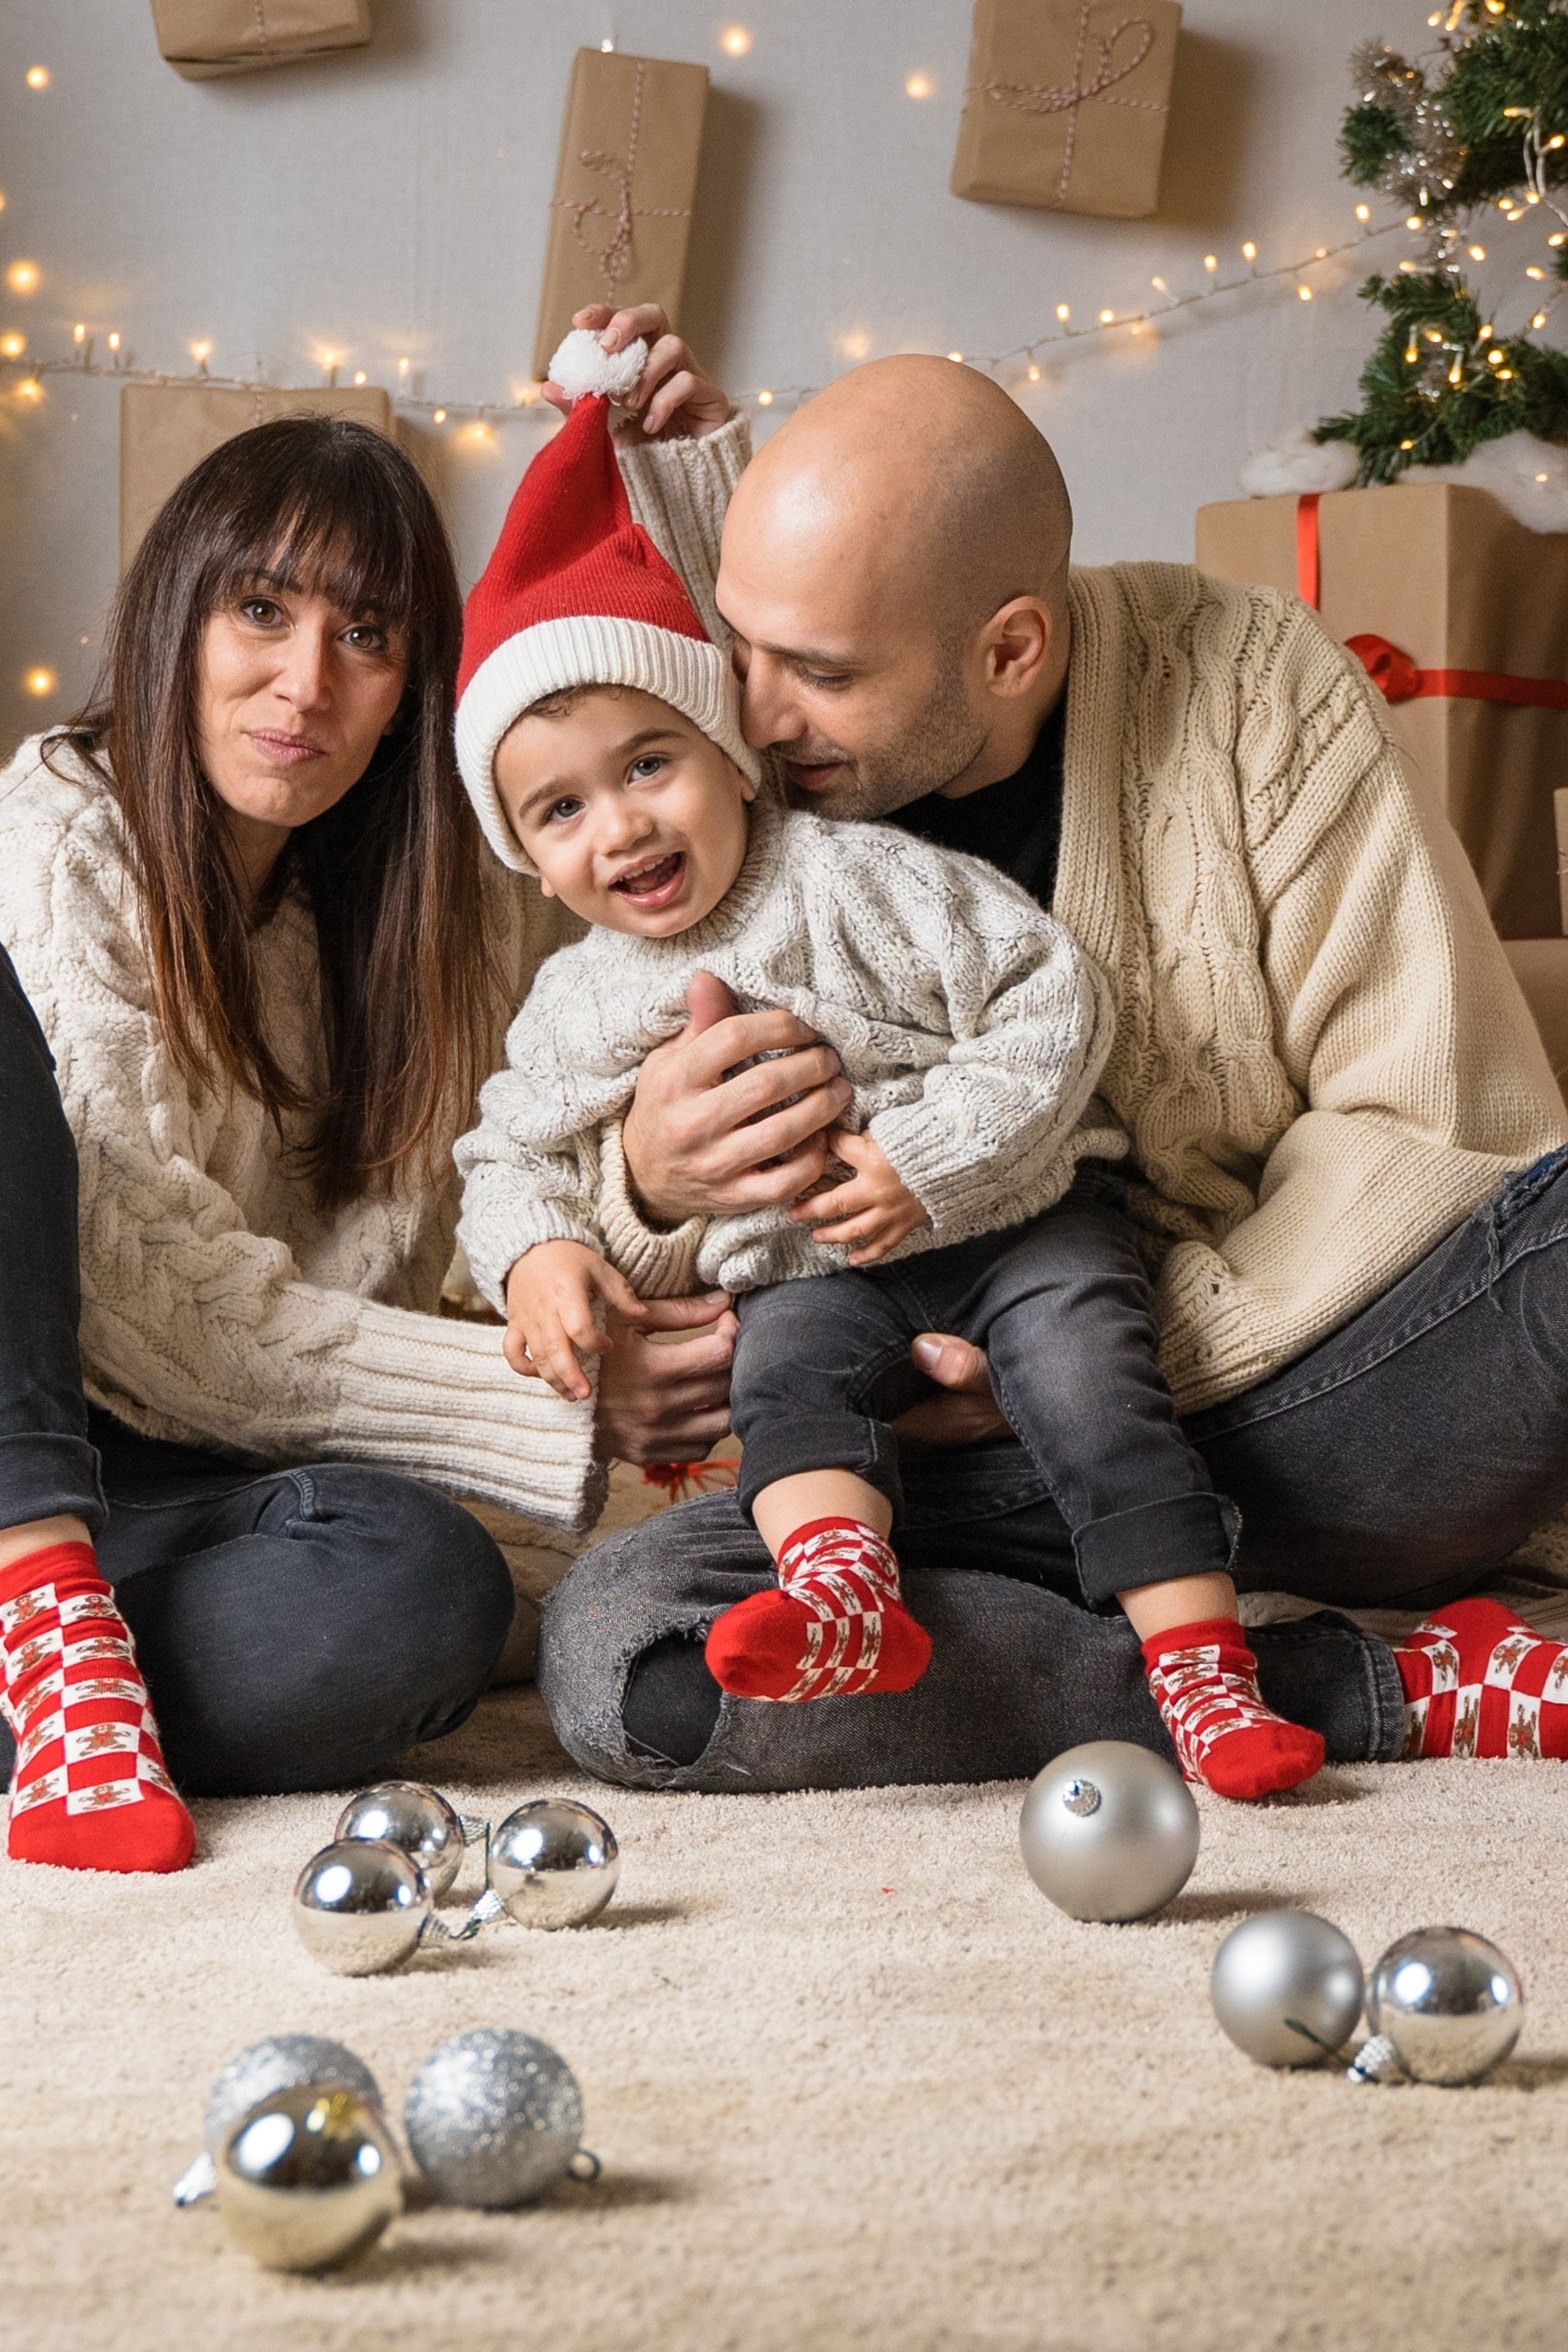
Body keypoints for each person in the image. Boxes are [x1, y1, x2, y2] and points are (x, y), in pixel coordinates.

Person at [530, 306, 1568, 1795]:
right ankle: (1367, 1684)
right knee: (629, 1655)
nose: (753, 718)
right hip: (933, 1473)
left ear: (1009, 646)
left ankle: (1184, 1617)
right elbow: (570, 1204)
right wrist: (646, 1190)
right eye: (738, 649)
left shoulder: (1247, 684)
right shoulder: (711, 793)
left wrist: (1086, 1358)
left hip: (1286, 1404)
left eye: (816, 673)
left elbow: (1425, 1124)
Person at [450, 352, 1325, 1803]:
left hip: (1014, 1222)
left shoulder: (853, 874)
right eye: (559, 809)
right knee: (785, 1383)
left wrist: (931, 1159)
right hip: (812, 1275)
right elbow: (506, 1155)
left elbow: (1054, 995)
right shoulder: (577, 999)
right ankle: (844, 1595)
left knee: (1090, 1378)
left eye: (652, 763)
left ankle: (1204, 1670)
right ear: (524, 851)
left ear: (731, 755)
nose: (620, 828)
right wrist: (536, 1253)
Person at [0, 413, 733, 1872]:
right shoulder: (67, 828)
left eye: (368, 634)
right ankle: (46, 1627)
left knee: (423, 1589)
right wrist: (553, 1404)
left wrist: (688, 480)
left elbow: (677, 771)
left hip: (191, 1487)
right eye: (261, 609)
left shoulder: (429, 909)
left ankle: (71, 1715)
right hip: (33, 1456)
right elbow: (139, 1294)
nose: (305, 681)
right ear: (176, 615)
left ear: (414, 689)